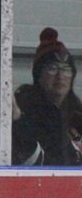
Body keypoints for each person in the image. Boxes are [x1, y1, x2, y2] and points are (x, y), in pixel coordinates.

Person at [12, 27, 82, 166]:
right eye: (53, 68)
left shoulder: (76, 114)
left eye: (66, 69)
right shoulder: (24, 110)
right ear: (38, 74)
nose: (60, 76)